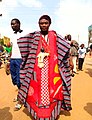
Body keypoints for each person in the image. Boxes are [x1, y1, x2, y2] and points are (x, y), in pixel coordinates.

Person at [17, 15, 72, 120]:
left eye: (46, 23)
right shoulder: (34, 36)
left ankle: (52, 113)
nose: (43, 25)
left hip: (52, 69)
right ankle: (37, 113)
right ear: (38, 24)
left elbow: (65, 45)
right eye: (41, 23)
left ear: (49, 24)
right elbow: (23, 41)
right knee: (35, 91)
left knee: (54, 90)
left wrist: (69, 59)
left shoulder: (55, 36)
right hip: (37, 69)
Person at [9, 18, 25, 106]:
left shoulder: (24, 34)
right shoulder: (12, 35)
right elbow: (12, 47)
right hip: (12, 59)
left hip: (20, 59)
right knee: (14, 79)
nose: (12, 26)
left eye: (14, 24)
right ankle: (20, 93)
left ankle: (20, 99)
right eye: (11, 24)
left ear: (19, 24)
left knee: (20, 80)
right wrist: (9, 60)